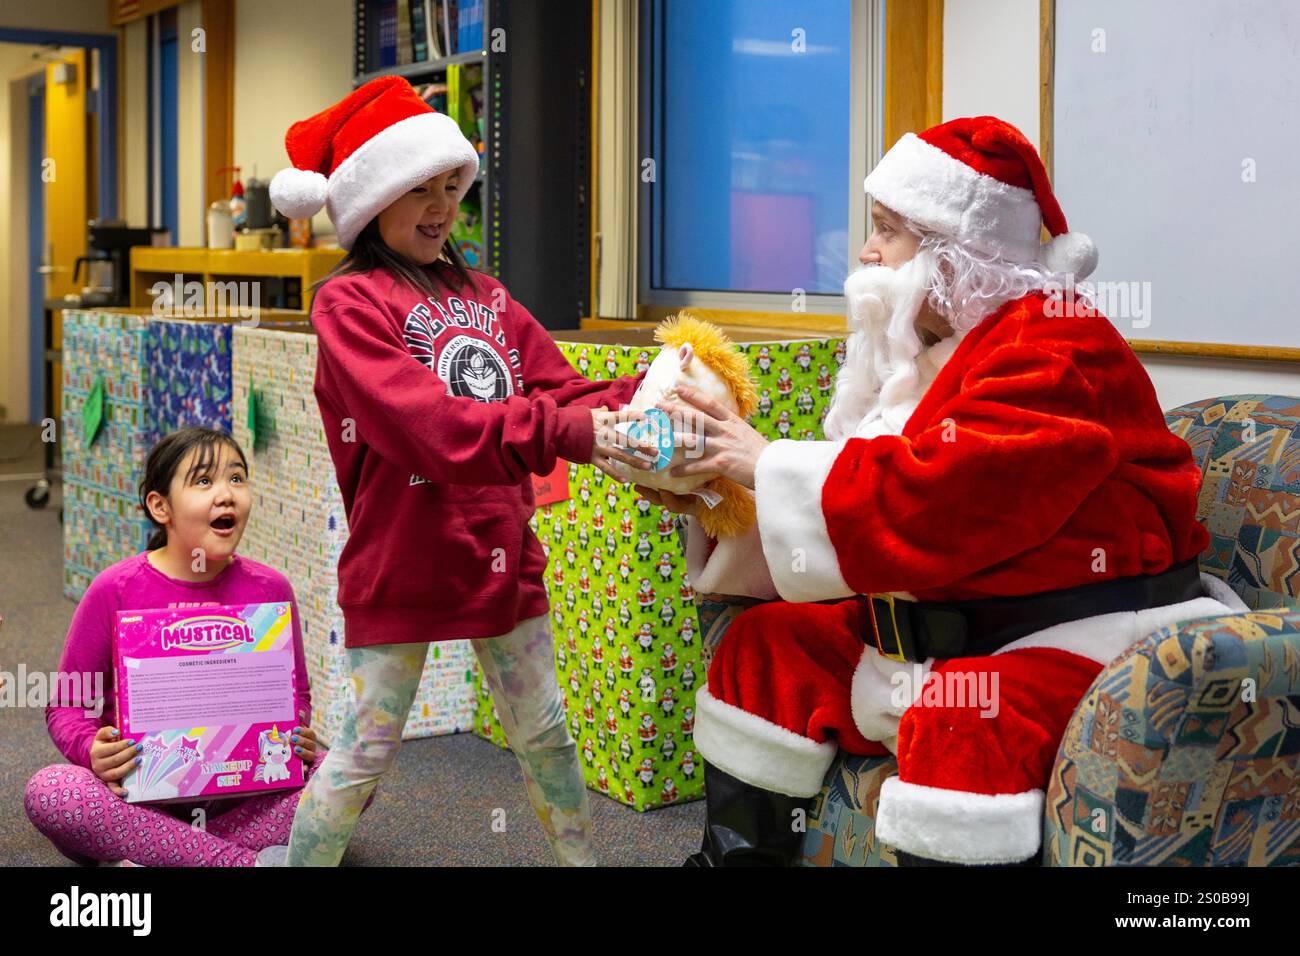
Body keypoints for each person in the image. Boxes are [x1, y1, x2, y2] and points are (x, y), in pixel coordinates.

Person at [644, 116, 1245, 866]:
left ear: (957, 256)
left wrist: (759, 463)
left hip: (1071, 633)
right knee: (769, 649)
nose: (866, 252)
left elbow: (941, 504)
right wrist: (720, 487)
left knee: (964, 720)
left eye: (888, 232)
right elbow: (862, 504)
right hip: (941, 620)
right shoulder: (935, 350)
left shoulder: (1059, 349)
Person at [268, 76, 655, 866]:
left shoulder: (488, 293)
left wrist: (654, 391)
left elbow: (558, 386)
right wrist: (573, 431)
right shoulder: (347, 304)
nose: (443, 206)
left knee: (545, 734)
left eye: (453, 185)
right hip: (399, 563)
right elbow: (432, 430)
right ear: (372, 196)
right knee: (367, 749)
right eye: (420, 189)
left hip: (500, 556)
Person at [24, 427, 329, 867]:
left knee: (346, 775)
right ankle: (245, 861)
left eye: (237, 479)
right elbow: (68, 705)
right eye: (203, 481)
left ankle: (162, 854)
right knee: (53, 792)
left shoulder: (270, 589)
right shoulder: (115, 588)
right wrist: (92, 749)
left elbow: (296, 694)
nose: (226, 494)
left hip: (238, 798)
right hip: (137, 799)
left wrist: (296, 730)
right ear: (159, 506)